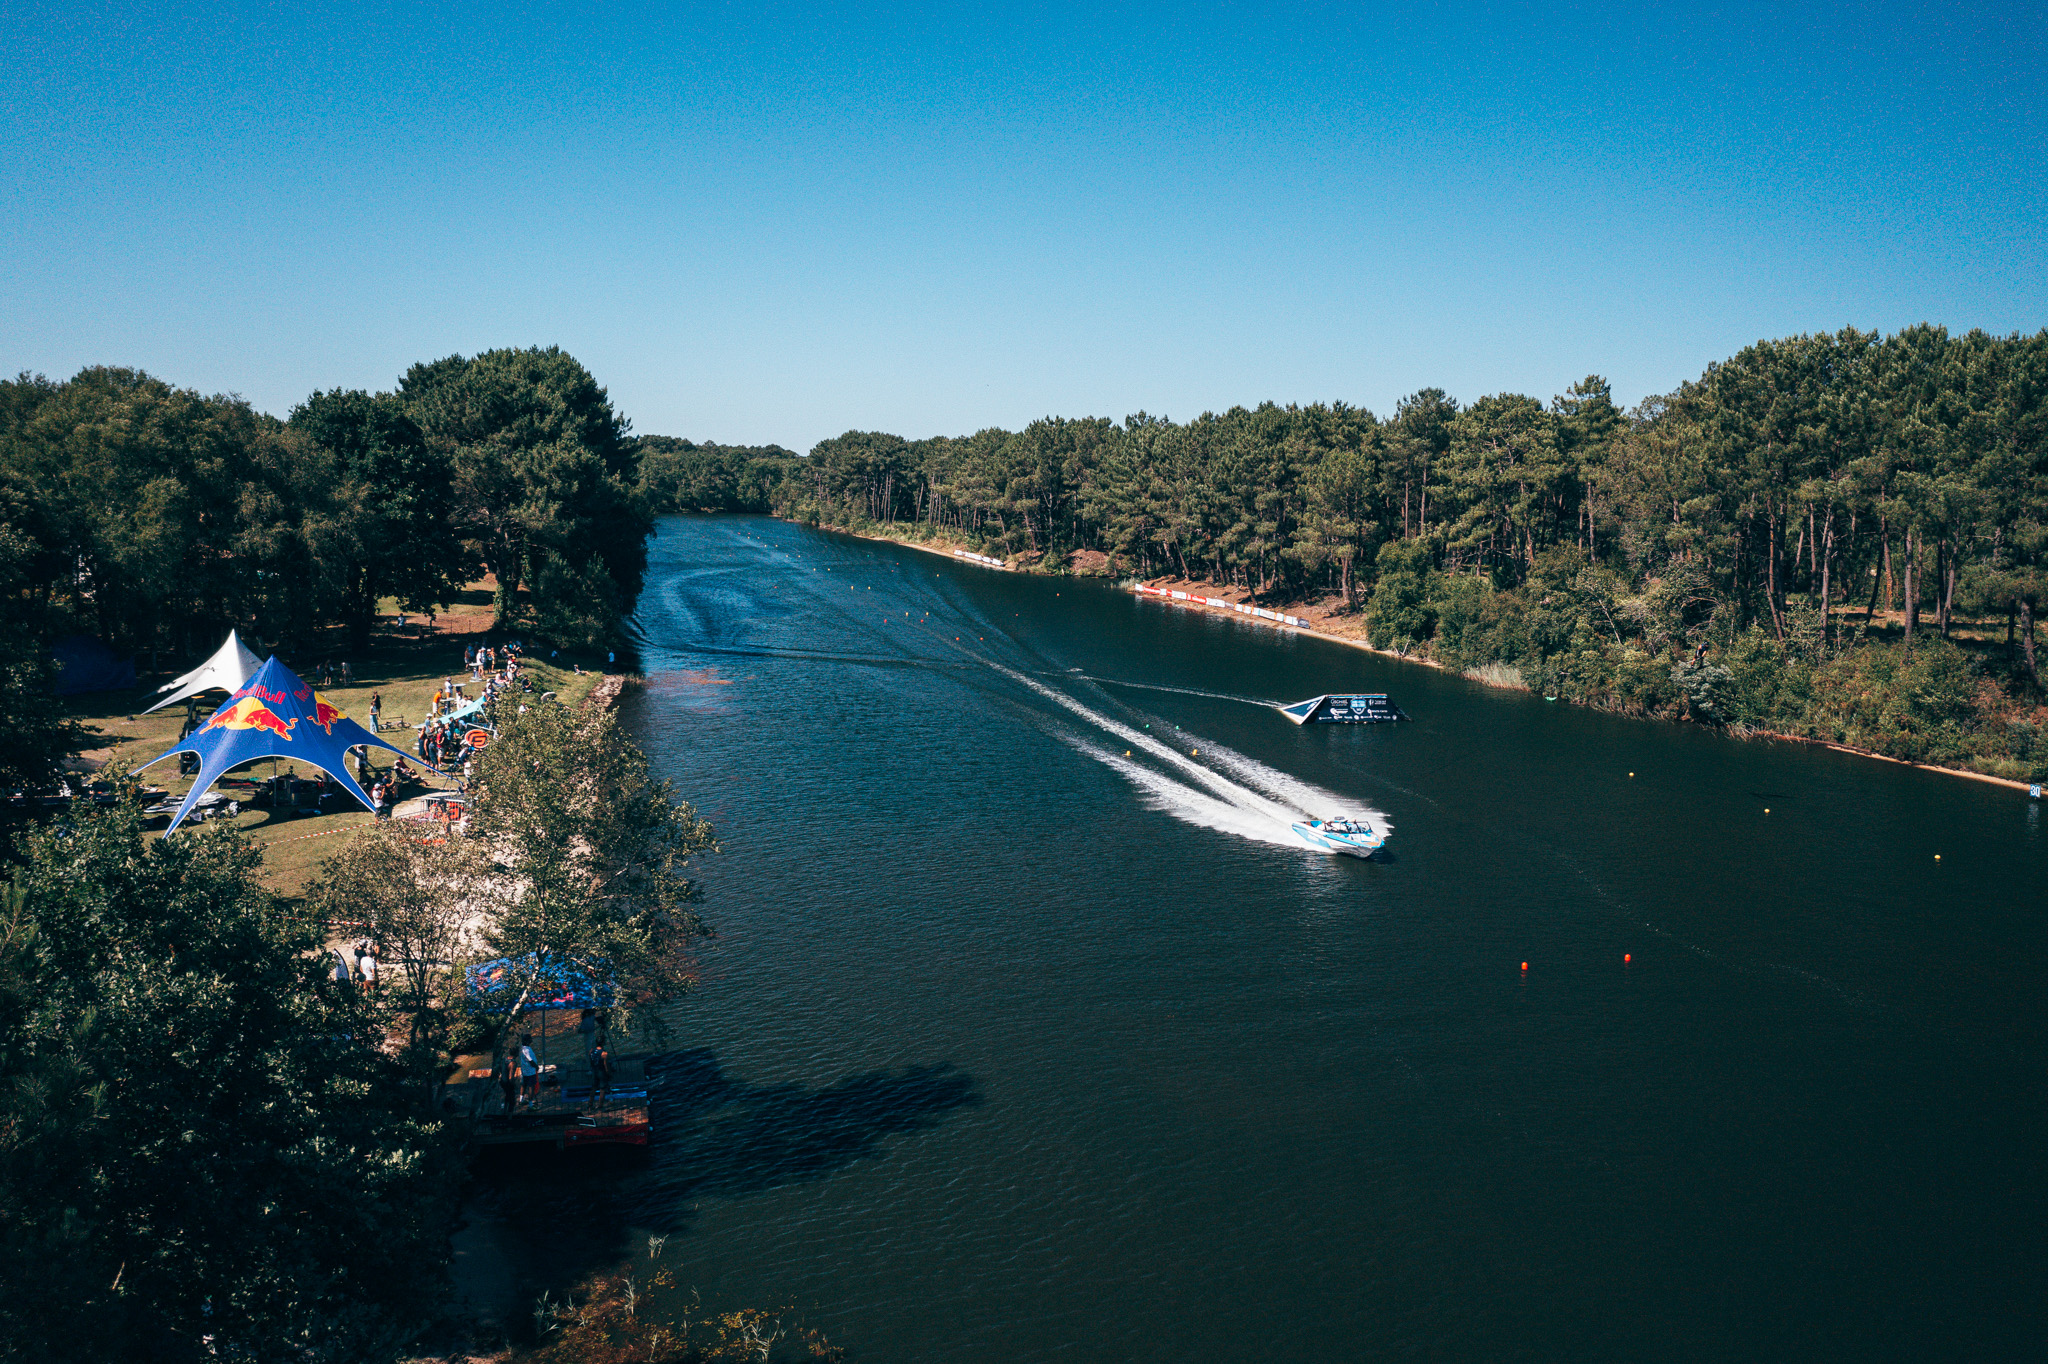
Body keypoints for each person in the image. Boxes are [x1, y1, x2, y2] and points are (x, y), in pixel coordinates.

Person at [516, 1033, 539, 1106]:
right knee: (531, 1087)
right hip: (530, 1071)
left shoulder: (523, 1048)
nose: (531, 1040)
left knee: (523, 1085)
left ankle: (521, 1100)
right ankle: (530, 1105)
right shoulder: (527, 1050)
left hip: (524, 1071)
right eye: (530, 1039)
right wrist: (536, 1067)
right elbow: (531, 1061)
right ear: (527, 1041)